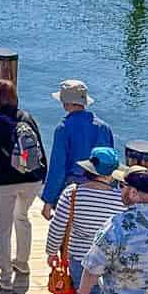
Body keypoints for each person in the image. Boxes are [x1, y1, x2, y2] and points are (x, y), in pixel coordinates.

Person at [0, 78, 47, 288]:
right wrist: (42, 176)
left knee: (3, 229)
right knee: (22, 218)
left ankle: (5, 276)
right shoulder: (28, 118)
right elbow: (40, 149)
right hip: (32, 180)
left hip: (4, 183)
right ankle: (23, 263)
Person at [44, 146, 125, 294]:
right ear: (112, 174)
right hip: (111, 261)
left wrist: (52, 252)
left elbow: (57, 227)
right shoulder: (121, 200)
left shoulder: (72, 193)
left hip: (79, 259)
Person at [40, 81, 115, 219]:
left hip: (73, 191)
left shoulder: (63, 128)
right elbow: (110, 162)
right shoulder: (104, 127)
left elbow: (58, 167)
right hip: (101, 190)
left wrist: (48, 201)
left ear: (65, 103)